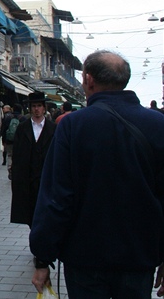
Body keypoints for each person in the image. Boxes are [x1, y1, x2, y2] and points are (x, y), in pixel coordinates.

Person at [30, 51, 164, 298]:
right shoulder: (157, 125)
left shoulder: (72, 125)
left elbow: (57, 198)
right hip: (138, 257)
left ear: (88, 79)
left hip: (85, 258)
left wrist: (42, 257)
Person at [10, 92, 56, 229]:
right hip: (27, 179)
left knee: (46, 213)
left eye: (39, 106)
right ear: (30, 108)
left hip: (46, 178)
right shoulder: (22, 128)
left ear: (44, 108)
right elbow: (16, 154)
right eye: (34, 106)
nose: (36, 109)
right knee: (29, 213)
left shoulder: (53, 129)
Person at [2, 104, 24, 180]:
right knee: (19, 156)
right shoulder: (23, 118)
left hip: (9, 141)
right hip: (20, 141)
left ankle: (10, 168)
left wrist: (3, 141)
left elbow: (4, 130)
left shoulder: (8, 118)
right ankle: (17, 170)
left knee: (10, 155)